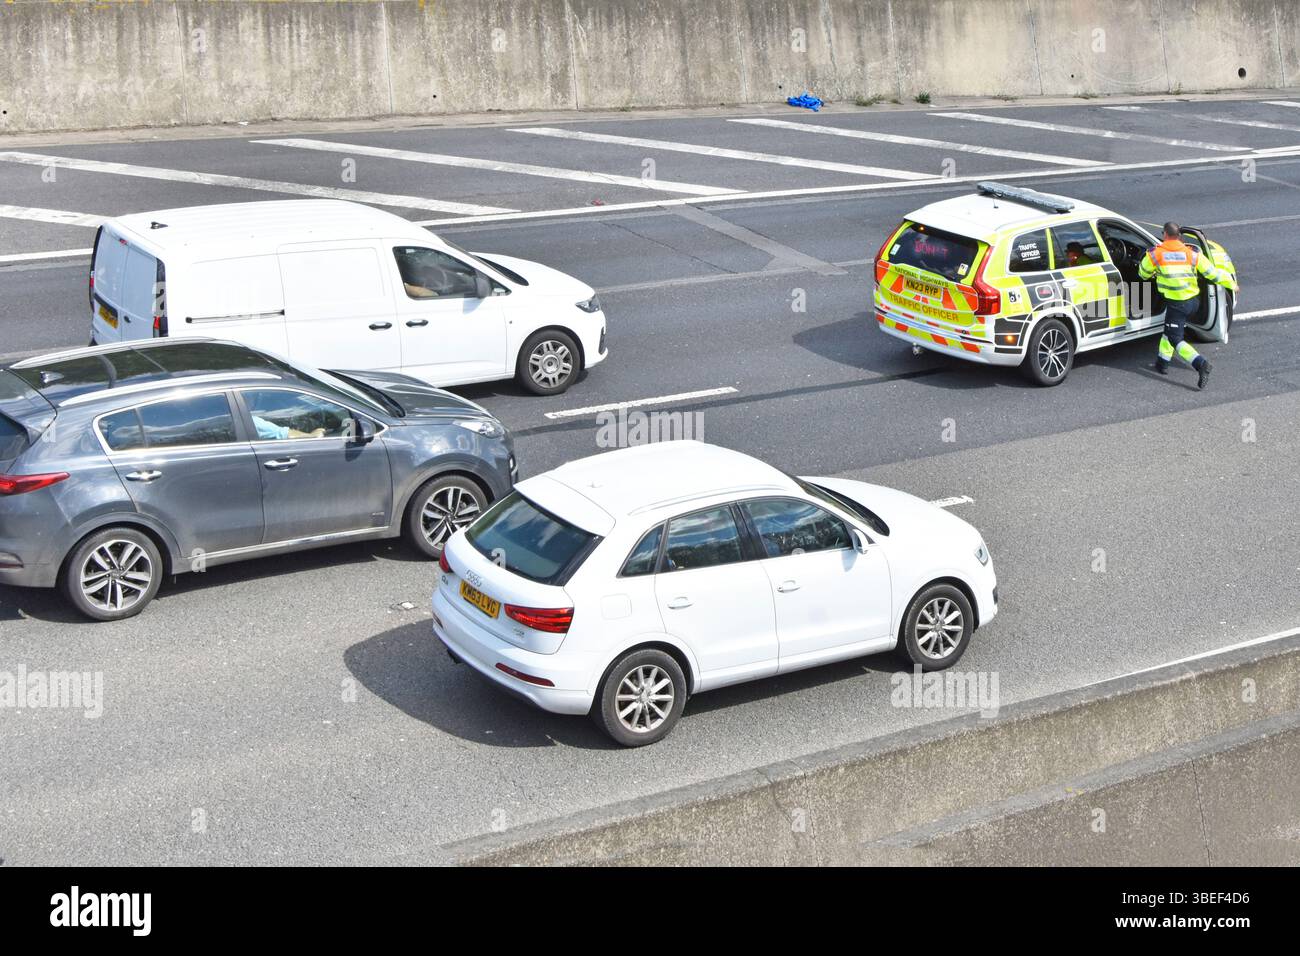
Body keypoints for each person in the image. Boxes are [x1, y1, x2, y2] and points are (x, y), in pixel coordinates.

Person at [1137, 222, 1237, 389]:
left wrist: (1156, 272)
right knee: (1169, 330)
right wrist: (1232, 284)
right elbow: (1212, 273)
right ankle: (1162, 363)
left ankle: (1201, 364)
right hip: (1193, 302)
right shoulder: (1192, 253)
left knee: (1176, 339)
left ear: (1164, 235)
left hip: (1177, 304)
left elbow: (1142, 274)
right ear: (1179, 236)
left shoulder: (1156, 254)